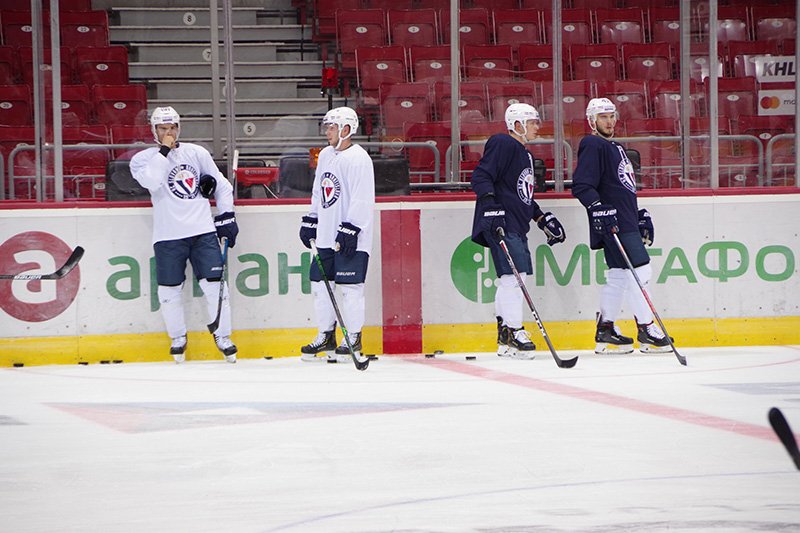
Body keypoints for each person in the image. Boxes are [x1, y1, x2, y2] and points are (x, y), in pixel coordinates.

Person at [130, 106, 240, 364]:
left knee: (216, 288)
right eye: (163, 128)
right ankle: (178, 338)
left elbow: (222, 186)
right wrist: (165, 151)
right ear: (153, 130)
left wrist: (226, 217)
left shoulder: (196, 152)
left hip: (202, 232)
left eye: (173, 128)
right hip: (168, 235)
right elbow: (152, 182)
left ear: (179, 127)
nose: (169, 132)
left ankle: (223, 336)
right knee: (169, 290)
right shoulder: (144, 159)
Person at [571, 97, 672, 354]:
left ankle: (606, 330)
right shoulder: (593, 144)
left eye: (612, 115)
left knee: (618, 276)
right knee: (641, 271)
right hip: (614, 222)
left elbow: (619, 188)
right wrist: (596, 207)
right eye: (603, 116)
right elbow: (582, 185)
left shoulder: (615, 147)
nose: (609, 121)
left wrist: (637, 214)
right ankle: (646, 328)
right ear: (591, 121)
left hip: (624, 220)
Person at [470, 103, 567, 360]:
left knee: (511, 278)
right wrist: (491, 206)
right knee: (515, 278)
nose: (538, 126)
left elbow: (520, 195)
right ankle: (514, 330)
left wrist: (540, 218)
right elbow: (480, 177)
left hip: (515, 222)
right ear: (517, 125)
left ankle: (505, 334)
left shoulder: (523, 153)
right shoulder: (503, 143)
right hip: (502, 222)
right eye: (533, 122)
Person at [298, 107, 375, 363]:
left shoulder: (359, 158)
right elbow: (319, 192)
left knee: (351, 288)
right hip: (325, 234)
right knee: (321, 287)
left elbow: (363, 198)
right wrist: (311, 218)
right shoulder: (326, 156)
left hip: (351, 236)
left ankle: (353, 336)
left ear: (346, 129)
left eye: (332, 127)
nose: (327, 131)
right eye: (327, 126)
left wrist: (351, 228)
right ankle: (326, 336)